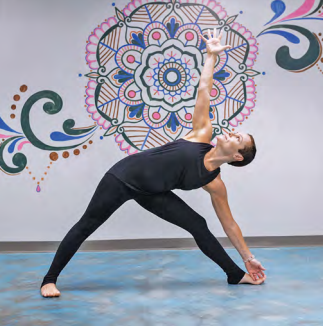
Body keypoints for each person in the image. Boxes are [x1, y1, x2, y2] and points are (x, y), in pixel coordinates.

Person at [40, 28, 266, 298]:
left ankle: (235, 274)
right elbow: (204, 89)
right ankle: (49, 280)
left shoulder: (214, 183)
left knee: (198, 224)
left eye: (237, 137)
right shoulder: (201, 134)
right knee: (88, 223)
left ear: (238, 156)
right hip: (123, 177)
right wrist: (210, 56)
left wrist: (248, 257)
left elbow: (229, 224)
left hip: (153, 192)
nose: (231, 132)